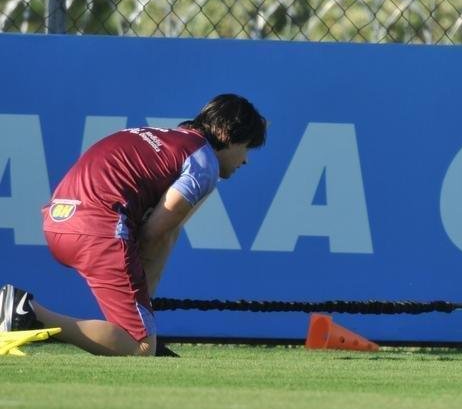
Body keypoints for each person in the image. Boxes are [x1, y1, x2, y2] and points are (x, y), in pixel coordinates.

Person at [0, 94, 267, 356]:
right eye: (247, 147)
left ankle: (23, 312)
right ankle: (30, 313)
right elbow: (155, 235)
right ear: (225, 133)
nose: (246, 160)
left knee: (136, 333)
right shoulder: (203, 161)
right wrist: (143, 326)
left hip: (57, 225)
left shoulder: (152, 134)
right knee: (139, 347)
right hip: (98, 231)